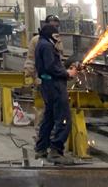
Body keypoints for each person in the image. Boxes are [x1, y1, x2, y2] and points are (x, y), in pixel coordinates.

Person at [34, 23, 79, 165]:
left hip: (47, 85)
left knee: (49, 118)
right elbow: (51, 67)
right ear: (51, 35)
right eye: (56, 36)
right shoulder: (47, 46)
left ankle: (41, 148)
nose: (58, 39)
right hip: (55, 86)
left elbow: (50, 65)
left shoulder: (41, 43)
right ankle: (56, 152)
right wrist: (67, 73)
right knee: (63, 119)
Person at [24, 14, 62, 81]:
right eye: (52, 26)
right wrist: (30, 76)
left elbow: (59, 59)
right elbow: (31, 59)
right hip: (41, 77)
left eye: (57, 26)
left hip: (54, 78)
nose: (55, 28)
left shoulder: (58, 40)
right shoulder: (36, 40)